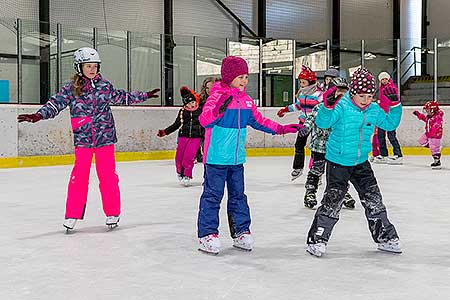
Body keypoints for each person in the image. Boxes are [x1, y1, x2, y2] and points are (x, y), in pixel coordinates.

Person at [17, 47, 160, 231]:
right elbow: (55, 103)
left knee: (108, 176)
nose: (92, 69)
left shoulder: (104, 86)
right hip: (83, 139)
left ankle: (112, 212)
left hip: (105, 138)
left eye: (95, 66)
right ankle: (72, 214)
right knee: (79, 176)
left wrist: (144, 95)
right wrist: (39, 115)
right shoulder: (71, 89)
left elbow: (122, 96)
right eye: (88, 66)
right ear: (79, 67)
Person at [197, 56, 301, 255]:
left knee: (238, 196)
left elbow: (259, 121)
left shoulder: (245, 101)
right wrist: (218, 111)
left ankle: (241, 231)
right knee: (212, 196)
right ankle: (207, 234)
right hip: (216, 158)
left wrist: (282, 129)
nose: (244, 81)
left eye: (246, 77)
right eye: (240, 77)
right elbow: (204, 120)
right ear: (229, 77)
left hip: (237, 159)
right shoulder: (216, 95)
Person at [305, 67, 402, 257]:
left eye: (369, 96)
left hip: (361, 163)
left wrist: (395, 105)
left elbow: (390, 124)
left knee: (374, 200)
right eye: (362, 96)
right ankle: (317, 239)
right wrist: (327, 107)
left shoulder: (373, 109)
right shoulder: (342, 106)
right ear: (353, 92)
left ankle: (385, 238)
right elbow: (323, 123)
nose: (366, 101)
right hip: (338, 162)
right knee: (333, 201)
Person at [299, 77, 355, 209]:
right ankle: (310, 192)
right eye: (338, 92)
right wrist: (306, 128)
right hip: (320, 146)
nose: (341, 95)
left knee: (340, 172)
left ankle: (343, 192)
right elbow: (311, 119)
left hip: (337, 147)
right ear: (330, 92)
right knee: (317, 170)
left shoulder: (346, 110)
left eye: (344, 92)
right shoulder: (320, 107)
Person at [277, 66, 323, 181]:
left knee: (316, 148)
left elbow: (324, 108)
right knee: (299, 144)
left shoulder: (318, 95)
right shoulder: (302, 94)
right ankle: (298, 167)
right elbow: (297, 106)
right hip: (303, 123)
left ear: (311, 82)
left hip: (316, 124)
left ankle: (316, 170)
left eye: (303, 82)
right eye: (300, 82)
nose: (301, 85)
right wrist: (285, 109)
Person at [157, 87, 204, 186]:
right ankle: (180, 172)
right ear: (185, 104)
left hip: (196, 137)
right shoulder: (183, 112)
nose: (192, 104)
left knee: (189, 157)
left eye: (193, 102)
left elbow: (205, 124)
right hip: (183, 136)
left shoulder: (201, 111)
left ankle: (187, 175)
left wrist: (205, 136)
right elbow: (176, 124)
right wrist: (165, 132)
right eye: (189, 103)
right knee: (179, 157)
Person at [372, 71, 403, 164]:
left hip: (390, 116)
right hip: (381, 116)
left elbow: (395, 102)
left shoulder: (392, 88)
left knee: (391, 136)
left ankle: (398, 154)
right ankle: (383, 154)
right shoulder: (380, 90)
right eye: (382, 79)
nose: (384, 81)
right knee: (380, 136)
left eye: (386, 79)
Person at [413, 100, 444, 169]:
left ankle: (437, 161)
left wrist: (433, 130)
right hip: (428, 133)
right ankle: (435, 147)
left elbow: (437, 125)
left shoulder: (437, 117)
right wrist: (418, 114)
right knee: (421, 141)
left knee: (434, 149)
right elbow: (424, 119)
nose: (427, 111)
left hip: (435, 135)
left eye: (428, 110)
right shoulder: (429, 116)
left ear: (433, 110)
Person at [195, 77, 219, 163]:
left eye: (211, 88)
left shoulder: (221, 99)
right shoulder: (200, 100)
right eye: (207, 88)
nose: (209, 90)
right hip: (202, 131)